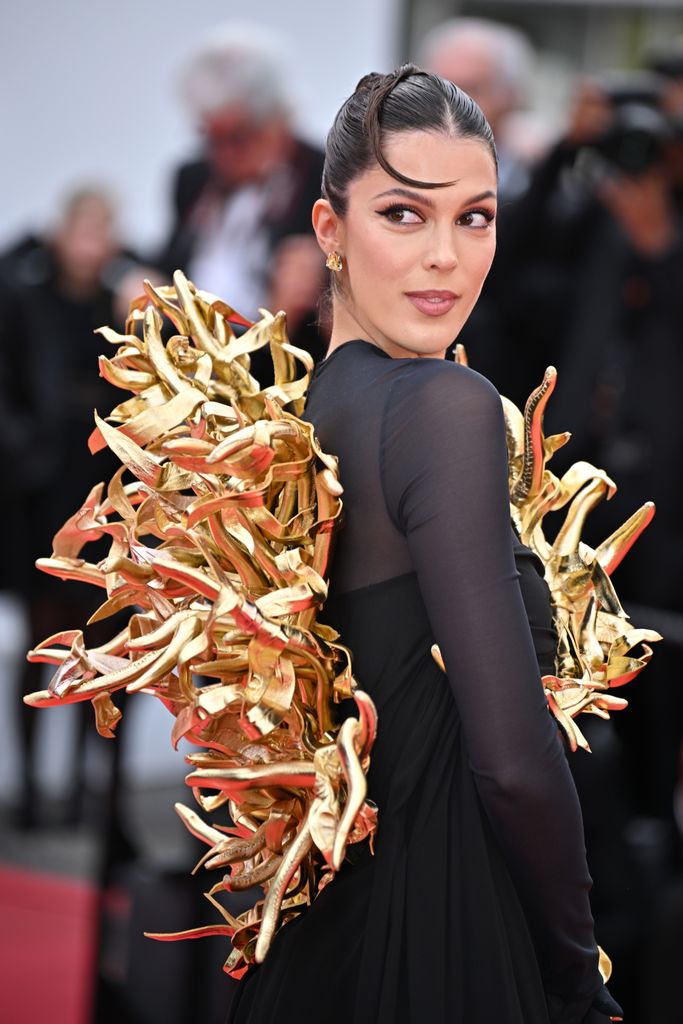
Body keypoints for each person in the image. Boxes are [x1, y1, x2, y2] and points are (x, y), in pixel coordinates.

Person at [228, 67, 623, 1024]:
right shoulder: (439, 408)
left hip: (325, 932)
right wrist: (576, 973)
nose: (445, 256)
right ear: (329, 231)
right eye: (403, 215)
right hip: (450, 927)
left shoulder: (298, 419)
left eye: (473, 218)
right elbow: (514, 760)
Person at [156, 24, 327, 375]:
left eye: (238, 138)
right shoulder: (193, 178)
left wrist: (318, 286)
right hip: (192, 365)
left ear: (278, 119)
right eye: (211, 138)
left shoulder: (323, 176)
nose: (222, 155)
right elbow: (171, 264)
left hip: (281, 371)